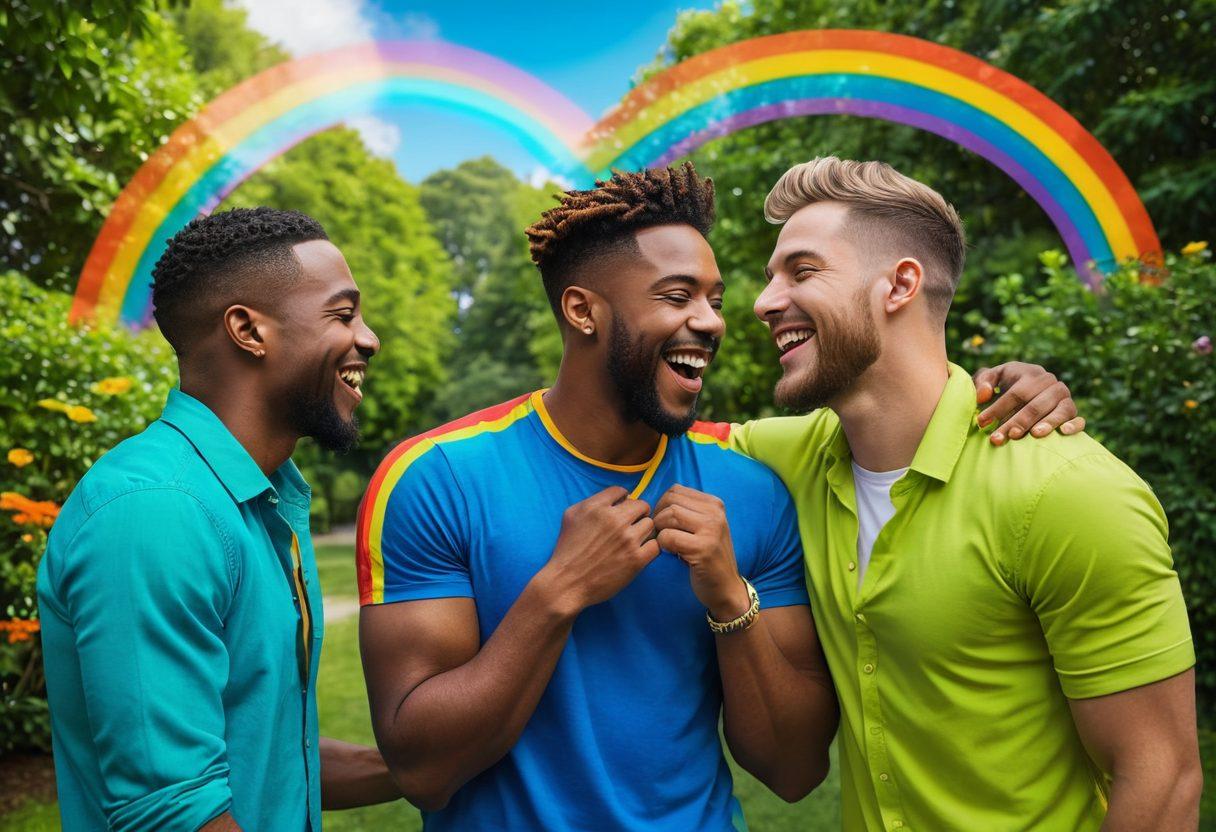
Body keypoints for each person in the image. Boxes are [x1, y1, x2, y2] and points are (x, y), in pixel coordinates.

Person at [355, 164, 1079, 831]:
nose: (714, 321)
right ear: (583, 312)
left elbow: (794, 770)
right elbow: (423, 769)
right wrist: (558, 592)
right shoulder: (437, 479)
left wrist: (731, 599)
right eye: (677, 296)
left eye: (715, 298)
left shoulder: (751, 486)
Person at [724, 157, 1200, 831]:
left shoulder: (1068, 491)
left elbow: (1163, 777)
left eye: (801, 272)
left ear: (900, 285)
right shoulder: (774, 461)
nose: (764, 302)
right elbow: (614, 440)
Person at [38, 208, 401, 831]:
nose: (368, 338)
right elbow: (175, 814)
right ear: (248, 330)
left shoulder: (261, 498)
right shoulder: (155, 512)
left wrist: (437, 762)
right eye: (343, 315)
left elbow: (275, 755)